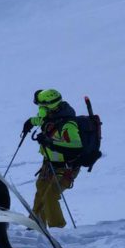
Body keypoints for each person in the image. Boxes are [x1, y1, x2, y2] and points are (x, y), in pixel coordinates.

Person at [22, 89, 82, 228]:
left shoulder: (68, 124)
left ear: (49, 105)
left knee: (50, 196)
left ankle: (57, 230)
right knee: (41, 191)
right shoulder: (50, 117)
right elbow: (40, 120)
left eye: (41, 106)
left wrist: (50, 143)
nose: (40, 109)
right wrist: (30, 122)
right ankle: (36, 225)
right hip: (49, 165)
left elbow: (76, 146)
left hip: (66, 168)